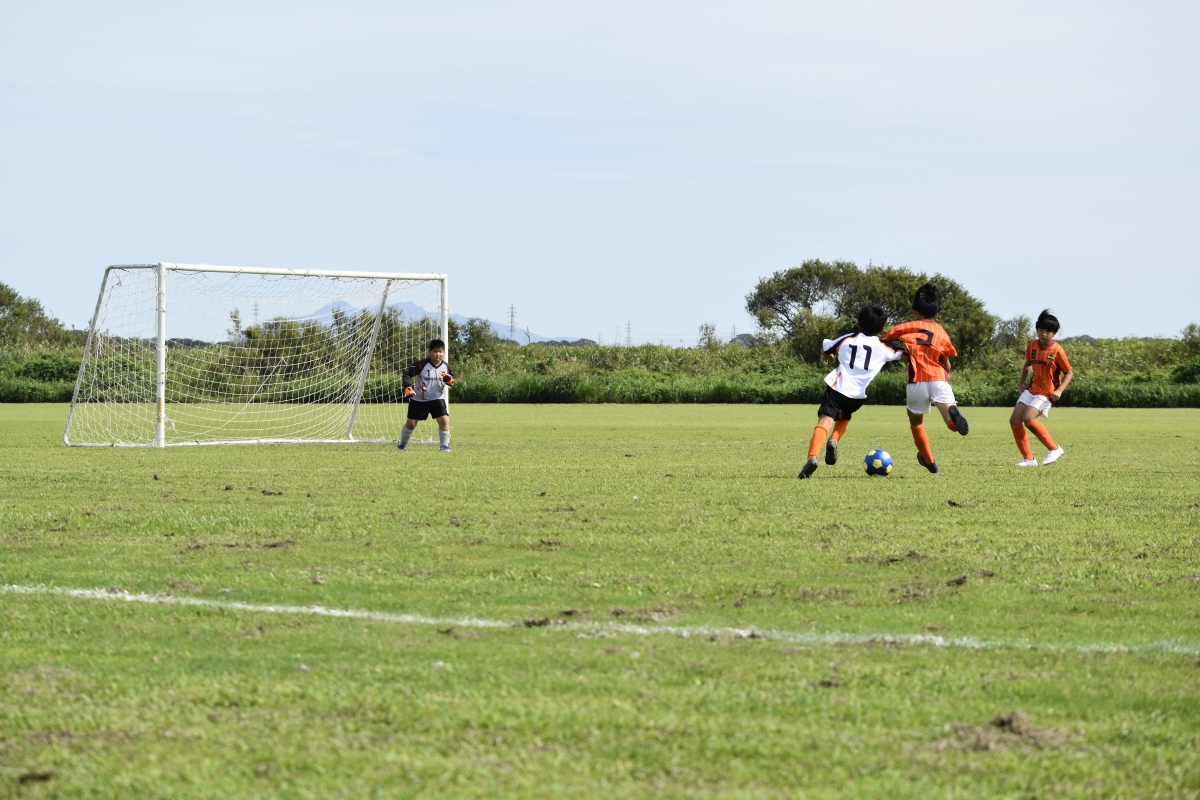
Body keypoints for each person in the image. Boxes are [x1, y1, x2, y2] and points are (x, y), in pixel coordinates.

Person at [799, 304, 904, 479]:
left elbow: (825, 349)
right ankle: (834, 439)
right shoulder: (885, 348)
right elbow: (904, 354)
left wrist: (828, 355)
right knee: (844, 416)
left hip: (837, 388)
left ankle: (812, 457)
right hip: (857, 397)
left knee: (824, 421)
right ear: (881, 329)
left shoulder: (847, 339)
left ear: (859, 325)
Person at [881, 282, 969, 474]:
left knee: (916, 423)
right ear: (937, 313)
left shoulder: (905, 327)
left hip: (916, 382)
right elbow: (947, 363)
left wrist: (903, 355)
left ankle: (929, 461)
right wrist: (946, 374)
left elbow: (882, 344)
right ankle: (953, 413)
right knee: (952, 424)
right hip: (939, 380)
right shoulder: (941, 332)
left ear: (914, 310)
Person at [1010, 309, 1072, 466]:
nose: (1044, 334)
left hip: (1047, 393)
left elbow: (1069, 373)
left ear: (1054, 334)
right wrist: (1021, 383)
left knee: (1028, 419)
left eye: (1048, 331)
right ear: (1037, 330)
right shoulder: (1032, 345)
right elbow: (1028, 364)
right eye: (1041, 330)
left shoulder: (1057, 351)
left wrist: (1059, 390)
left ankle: (1054, 449)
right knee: (1015, 421)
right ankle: (1029, 459)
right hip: (1032, 389)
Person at [397, 338, 454, 452]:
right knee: (411, 424)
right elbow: (407, 373)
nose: (437, 354)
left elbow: (451, 380)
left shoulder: (446, 367)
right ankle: (402, 444)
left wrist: (450, 381)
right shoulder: (422, 364)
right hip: (419, 399)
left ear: (444, 352)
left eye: (440, 351)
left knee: (444, 421)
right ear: (430, 352)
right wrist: (408, 387)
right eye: (435, 351)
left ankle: (444, 446)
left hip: (437, 398)